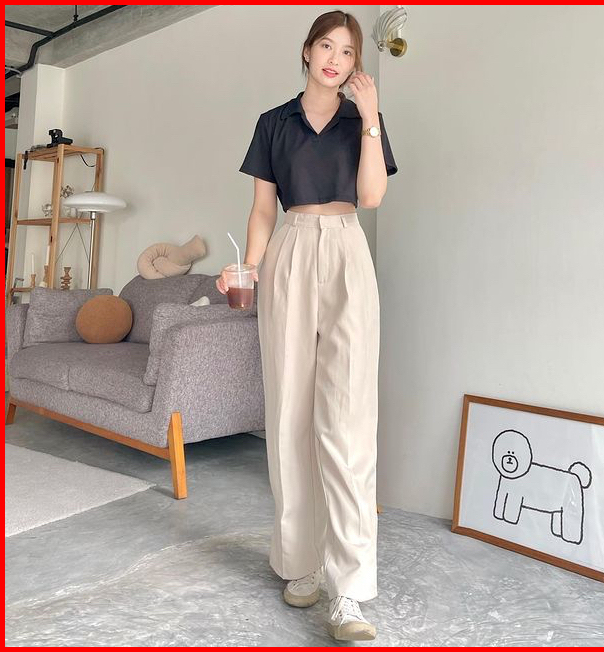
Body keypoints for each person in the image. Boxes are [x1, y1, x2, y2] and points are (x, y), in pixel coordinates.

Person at [217, 9, 398, 642]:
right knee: (290, 413)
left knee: (347, 422)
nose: (335, 59)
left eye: (347, 52)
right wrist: (249, 265)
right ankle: (300, 563)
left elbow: (371, 197)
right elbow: (262, 210)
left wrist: (371, 118)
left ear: (355, 63)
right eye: (326, 46)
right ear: (307, 50)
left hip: (347, 247)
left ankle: (350, 591)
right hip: (290, 250)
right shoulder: (274, 122)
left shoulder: (362, 121)